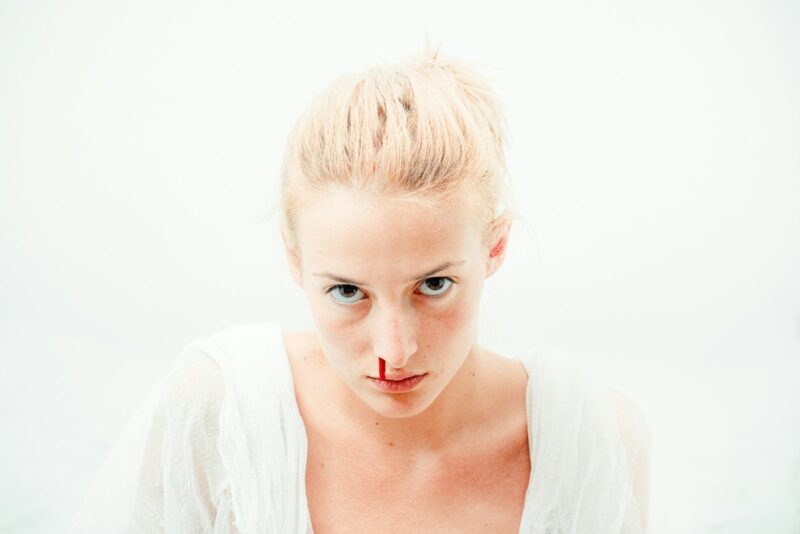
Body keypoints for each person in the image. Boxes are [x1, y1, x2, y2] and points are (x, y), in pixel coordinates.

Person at [69, 49, 650, 533]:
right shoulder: (223, 413)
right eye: (348, 291)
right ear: (294, 259)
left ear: (494, 248)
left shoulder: (591, 443)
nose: (394, 352)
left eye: (434, 285)